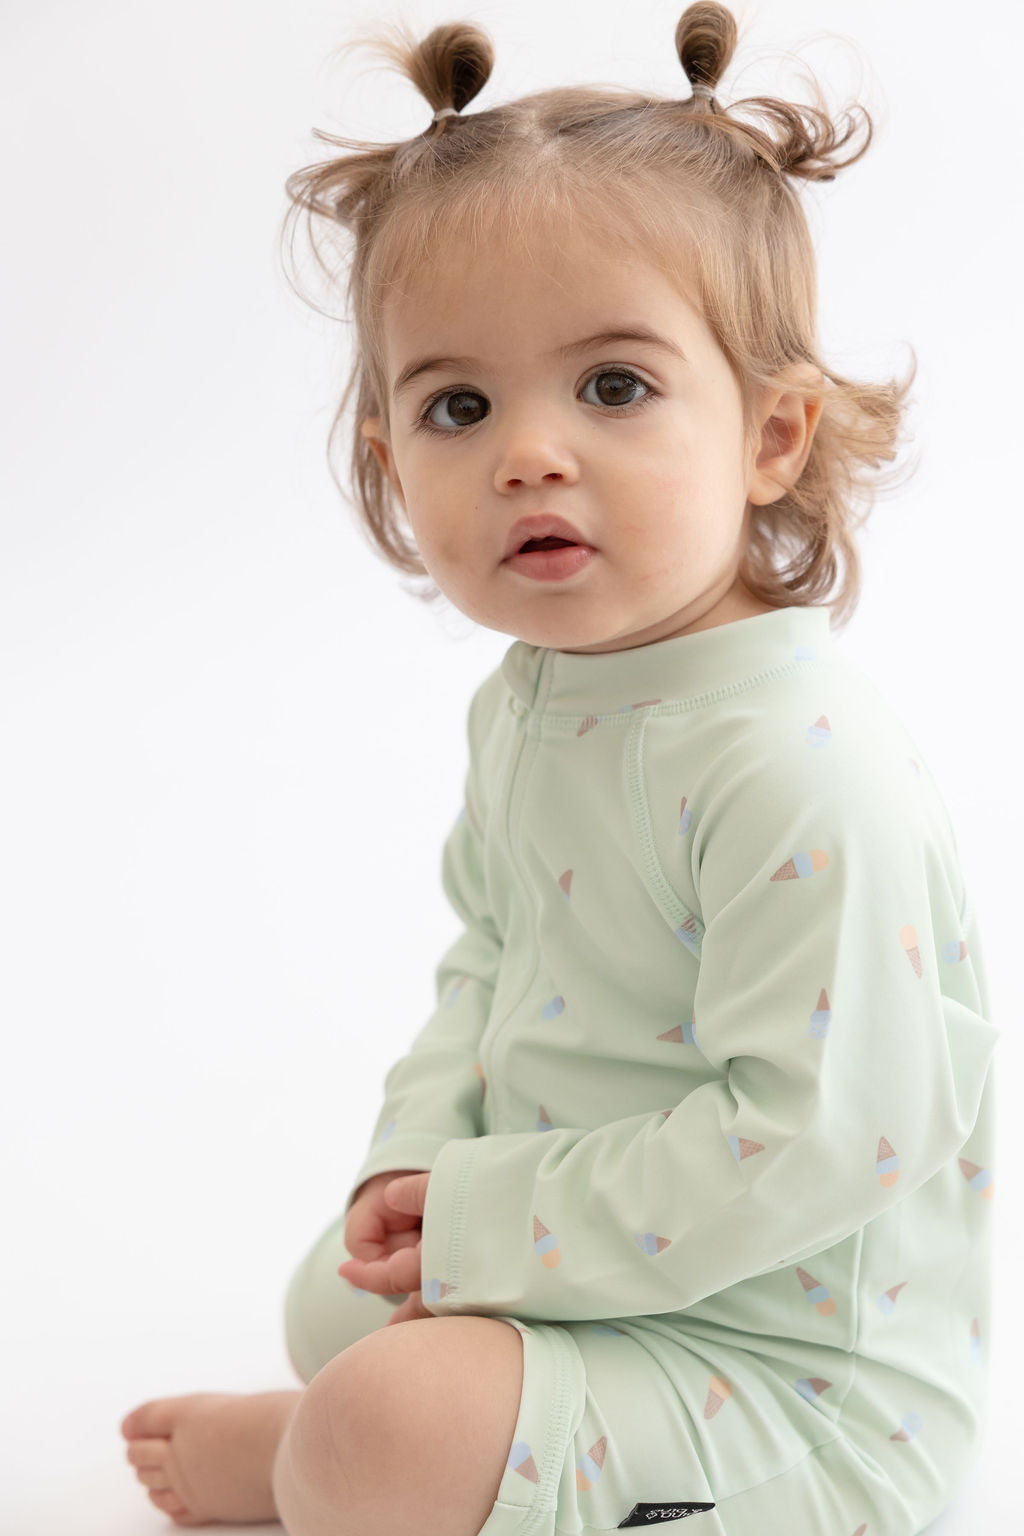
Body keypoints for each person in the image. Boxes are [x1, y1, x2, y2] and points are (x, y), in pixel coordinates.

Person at [119, 5, 999, 1534]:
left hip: (789, 1374)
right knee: (330, 1300)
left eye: (613, 387)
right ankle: (369, 1447)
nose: (527, 452)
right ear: (391, 459)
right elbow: (490, 966)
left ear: (773, 434)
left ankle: (334, 1458)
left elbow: (820, 1139)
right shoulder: (532, 703)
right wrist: (412, 1171)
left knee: (382, 1416)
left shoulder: (802, 768)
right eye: (458, 406)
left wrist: (482, 1224)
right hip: (596, 1263)